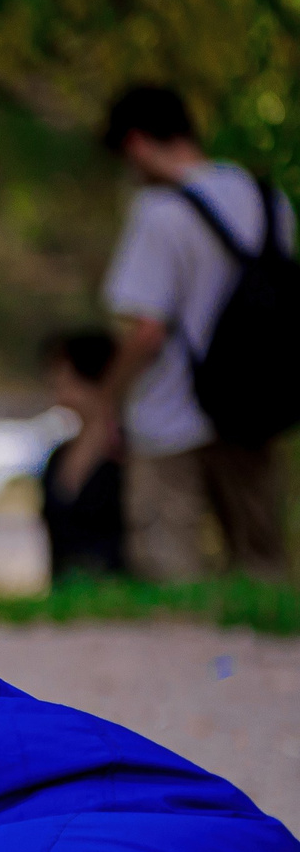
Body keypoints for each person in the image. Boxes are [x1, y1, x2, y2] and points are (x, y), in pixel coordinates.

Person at [100, 84, 294, 580]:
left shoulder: (159, 214)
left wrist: (108, 400)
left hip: (169, 417)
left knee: (170, 568)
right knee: (261, 563)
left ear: (137, 144)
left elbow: (147, 330)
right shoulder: (269, 200)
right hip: (254, 408)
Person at [40, 329, 126, 577]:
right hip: (67, 596)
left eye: (62, 370)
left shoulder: (126, 455)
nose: (54, 378)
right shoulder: (58, 455)